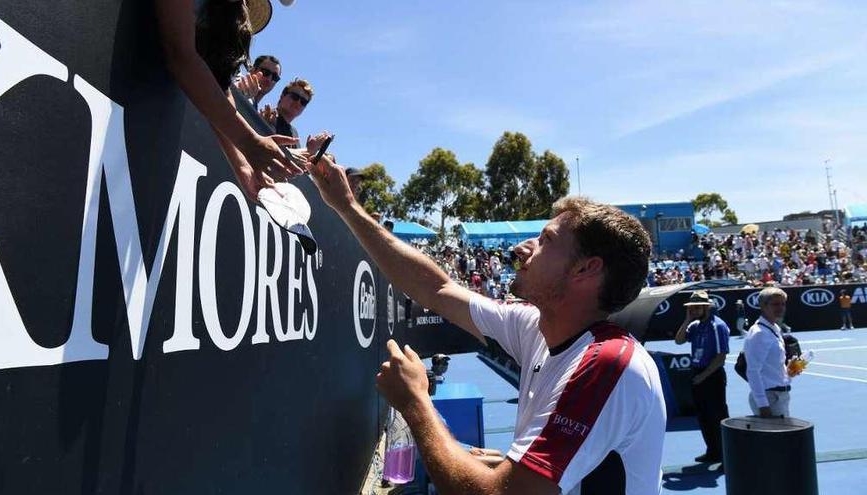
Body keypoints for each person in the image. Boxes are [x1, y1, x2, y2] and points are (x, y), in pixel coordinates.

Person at [310, 156, 665, 495]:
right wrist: (346, 206)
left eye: (546, 240)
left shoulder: (608, 364)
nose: (523, 249)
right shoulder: (535, 326)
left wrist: (415, 402)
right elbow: (437, 288)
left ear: (585, 269)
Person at [155, 0, 308, 202]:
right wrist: (249, 141)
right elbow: (180, 53)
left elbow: (218, 83)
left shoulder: (229, 14)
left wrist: (242, 165)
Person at [674, 291, 730, 464]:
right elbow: (679, 340)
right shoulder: (695, 325)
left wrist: (703, 376)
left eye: (698, 306)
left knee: (717, 415)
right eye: (692, 307)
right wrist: (686, 320)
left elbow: (720, 357)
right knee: (703, 415)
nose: (695, 309)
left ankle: (726, 455)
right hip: (697, 372)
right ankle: (712, 451)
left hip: (712, 375)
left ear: (707, 306)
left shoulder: (718, 326)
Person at [743, 288, 791, 418]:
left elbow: (772, 368)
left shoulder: (774, 328)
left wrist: (789, 372)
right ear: (763, 306)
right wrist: (763, 405)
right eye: (775, 304)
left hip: (779, 396)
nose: (780, 307)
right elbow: (753, 371)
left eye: (783, 304)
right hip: (769, 398)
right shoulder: (759, 333)